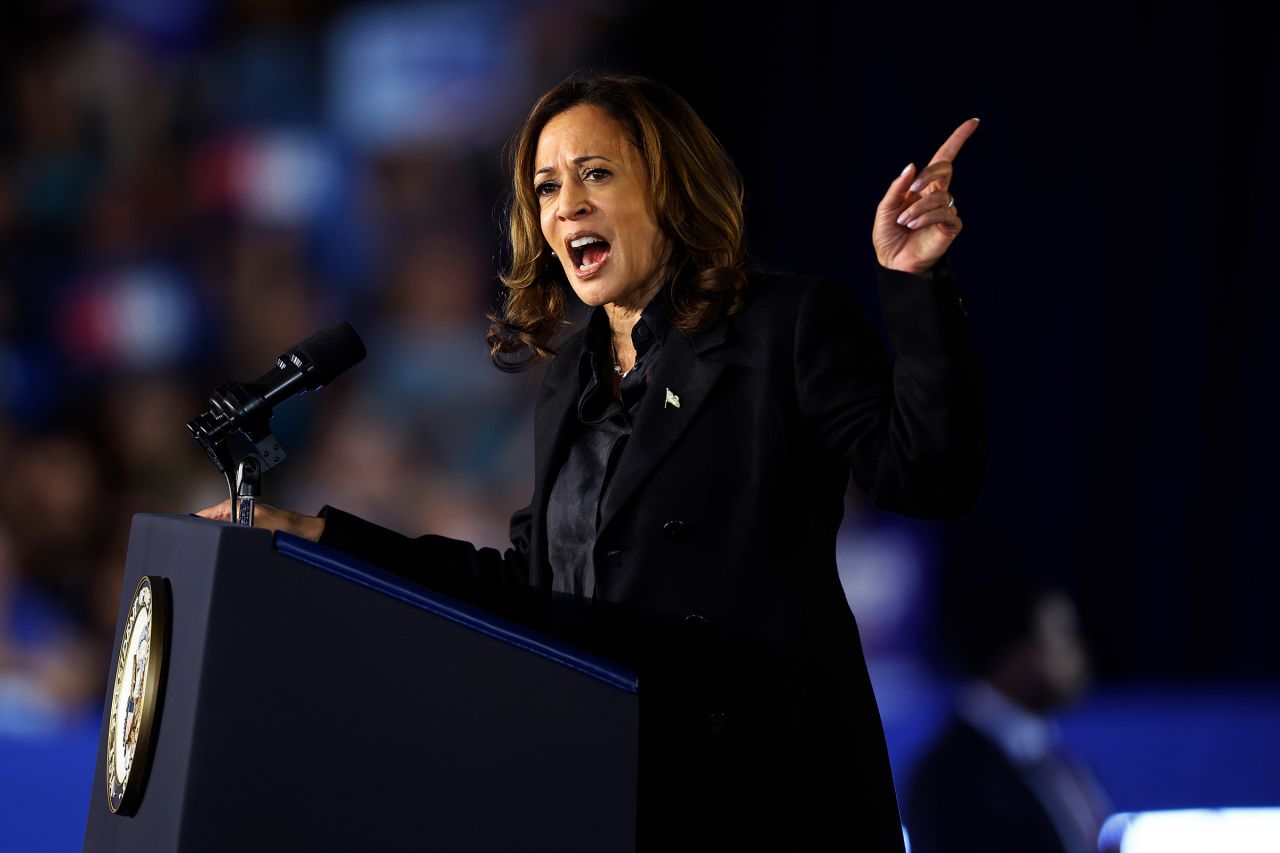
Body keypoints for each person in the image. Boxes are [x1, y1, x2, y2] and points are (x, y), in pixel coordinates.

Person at [198, 71, 988, 852]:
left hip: (769, 793)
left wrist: (913, 284)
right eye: (545, 188)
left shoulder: (782, 326)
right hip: (620, 792)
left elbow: (928, 475)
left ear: (671, 188)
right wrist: (322, 539)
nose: (565, 204)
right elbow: (531, 586)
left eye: (596, 174)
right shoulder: (571, 372)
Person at [905, 579, 1112, 853]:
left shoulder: (1051, 755)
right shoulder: (948, 779)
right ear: (1012, 656)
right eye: (1061, 635)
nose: (1077, 653)